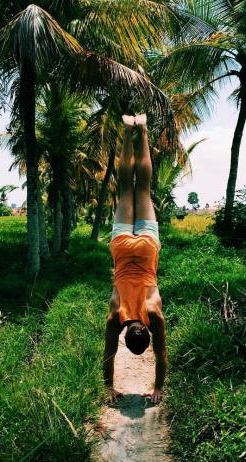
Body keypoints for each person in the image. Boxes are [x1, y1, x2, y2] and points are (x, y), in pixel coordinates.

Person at [103, 113, 167, 404]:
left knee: (143, 187)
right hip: (122, 245)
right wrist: (109, 387)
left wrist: (158, 388)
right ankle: (128, 130)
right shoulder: (116, 316)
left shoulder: (154, 314)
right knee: (125, 186)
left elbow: (162, 354)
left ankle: (141, 129)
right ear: (125, 334)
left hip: (146, 246)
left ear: (147, 333)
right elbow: (108, 354)